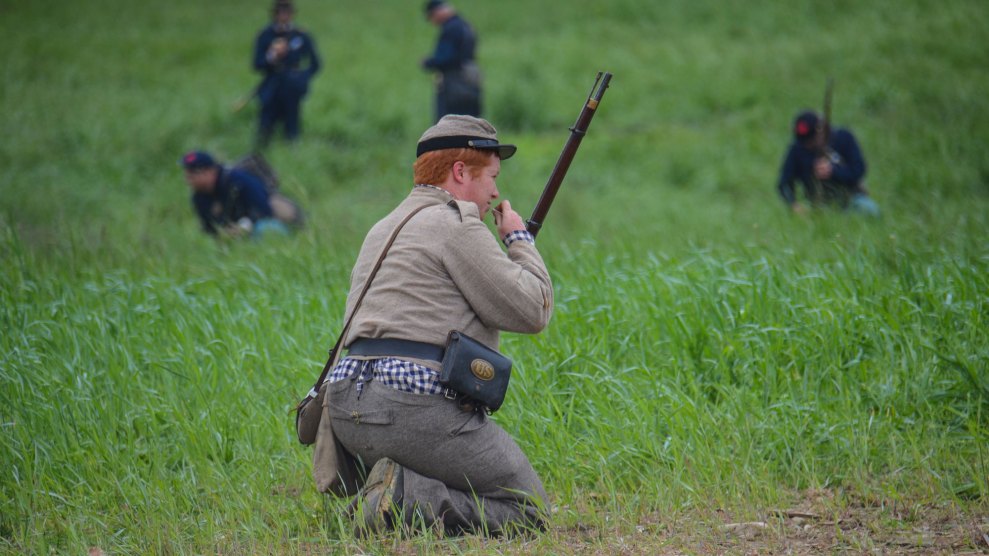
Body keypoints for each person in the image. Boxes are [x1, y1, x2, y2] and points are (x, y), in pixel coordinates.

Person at [324, 115, 553, 536]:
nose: (496, 192)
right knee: (529, 510)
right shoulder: (456, 224)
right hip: (409, 408)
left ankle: (382, 495)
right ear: (460, 172)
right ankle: (404, 497)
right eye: (492, 177)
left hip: (344, 411)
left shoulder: (383, 227)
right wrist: (519, 241)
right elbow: (532, 309)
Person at [777, 110, 880, 216]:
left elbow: (858, 170)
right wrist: (793, 204)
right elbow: (784, 183)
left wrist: (833, 171)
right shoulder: (797, 149)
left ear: (820, 131)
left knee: (871, 211)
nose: (807, 145)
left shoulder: (844, 138)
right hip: (817, 205)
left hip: (851, 199)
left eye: (811, 140)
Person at [252, 0, 320, 146]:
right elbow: (257, 64)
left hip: (292, 85)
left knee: (292, 122)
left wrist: (302, 77)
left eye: (287, 13)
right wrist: (272, 56)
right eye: (280, 13)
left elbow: (315, 63)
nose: (284, 16)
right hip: (272, 85)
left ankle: (291, 148)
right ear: (274, 14)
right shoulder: (266, 35)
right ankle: (262, 149)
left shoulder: (300, 35)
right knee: (266, 123)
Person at [179, 150, 288, 239]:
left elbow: (264, 208)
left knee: (266, 228)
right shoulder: (199, 197)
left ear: (210, 171)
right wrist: (224, 233)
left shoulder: (238, 179)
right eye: (187, 175)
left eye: (193, 175)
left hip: (263, 224)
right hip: (233, 237)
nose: (188, 180)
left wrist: (244, 227)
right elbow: (209, 228)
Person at [421, 1, 482, 122]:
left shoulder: (451, 28)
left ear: (437, 12)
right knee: (470, 124)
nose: (434, 22)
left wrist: (428, 62)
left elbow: (445, 57)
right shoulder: (465, 25)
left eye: (432, 17)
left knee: (448, 123)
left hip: (454, 84)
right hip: (470, 81)